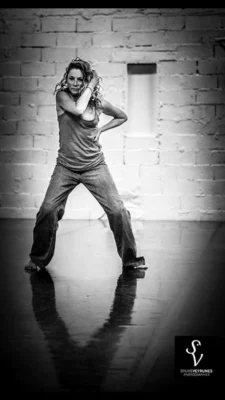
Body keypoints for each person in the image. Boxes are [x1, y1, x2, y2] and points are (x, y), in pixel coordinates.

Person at [25, 57, 146, 273]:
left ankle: (130, 260)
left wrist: (101, 129)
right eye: (71, 78)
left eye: (80, 79)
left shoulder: (97, 103)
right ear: (67, 79)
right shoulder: (62, 97)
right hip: (66, 167)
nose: (74, 83)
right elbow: (79, 110)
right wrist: (92, 83)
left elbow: (121, 116)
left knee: (118, 210)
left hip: (94, 166)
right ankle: (38, 259)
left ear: (84, 81)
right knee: (48, 209)